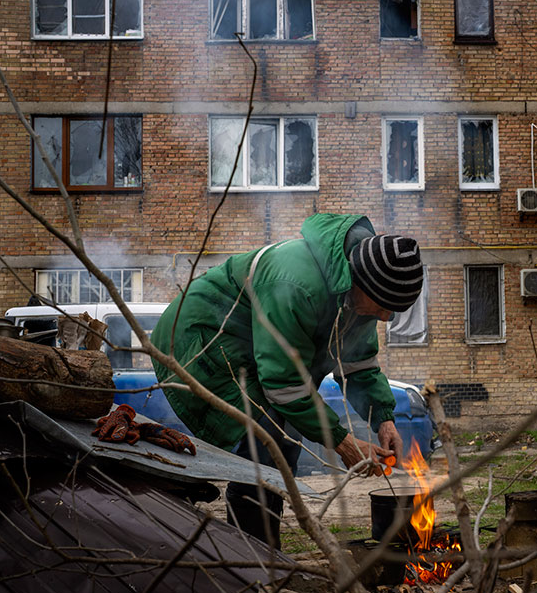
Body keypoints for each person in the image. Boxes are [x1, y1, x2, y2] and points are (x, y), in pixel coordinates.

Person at [151, 213, 423, 545]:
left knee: (284, 442)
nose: (386, 316)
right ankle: (256, 563)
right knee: (266, 441)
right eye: (383, 306)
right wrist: (343, 442)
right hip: (200, 341)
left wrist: (383, 418)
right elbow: (284, 384)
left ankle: (264, 552)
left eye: (394, 310)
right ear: (359, 281)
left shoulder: (361, 295)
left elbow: (358, 364)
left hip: (253, 350)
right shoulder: (295, 282)